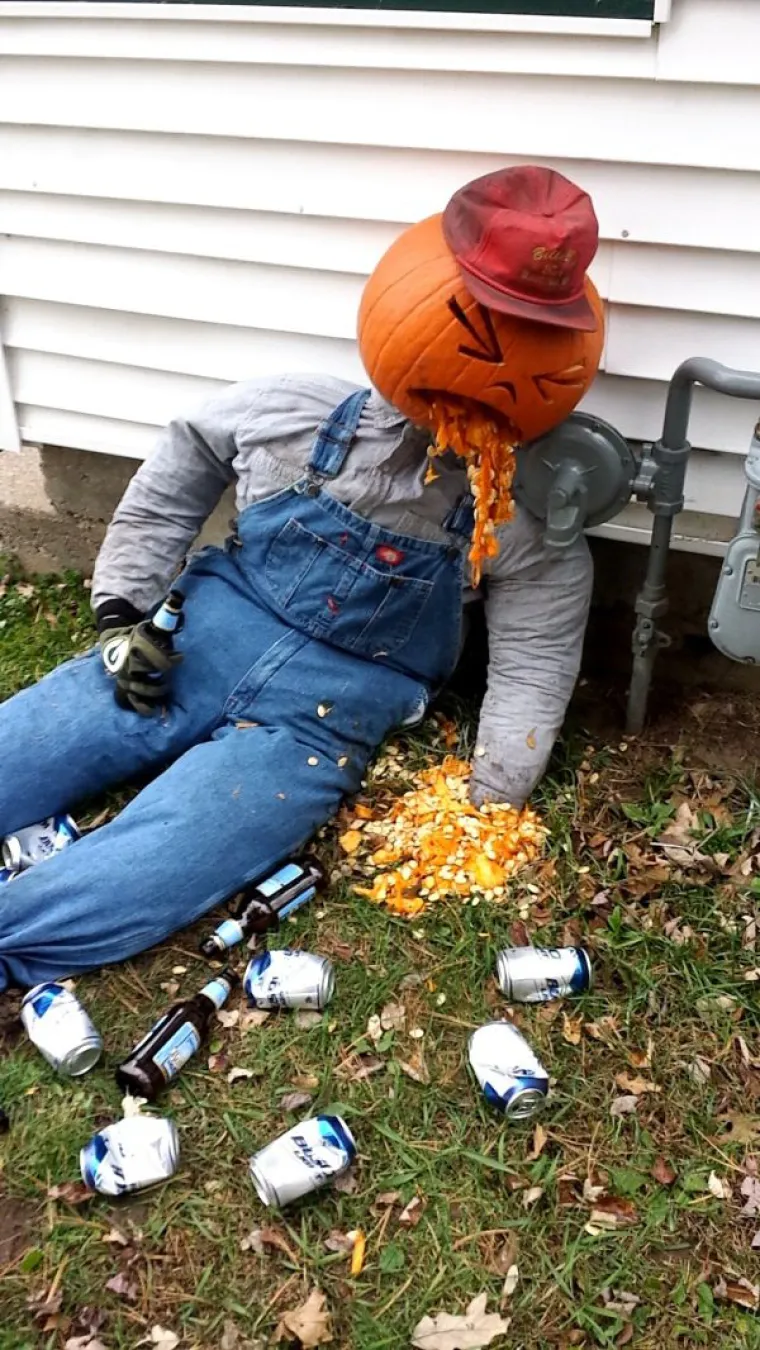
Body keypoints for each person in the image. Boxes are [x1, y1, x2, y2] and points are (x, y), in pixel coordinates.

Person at [0, 165, 603, 992]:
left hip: (324, 719)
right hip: (198, 639)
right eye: (476, 328)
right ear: (415, 296)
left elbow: (538, 651)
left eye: (538, 343)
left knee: (180, 845)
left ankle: (12, 945)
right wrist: (122, 611)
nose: (495, 370)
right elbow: (183, 462)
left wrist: (490, 793)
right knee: (36, 739)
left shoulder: (520, 518)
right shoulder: (293, 413)